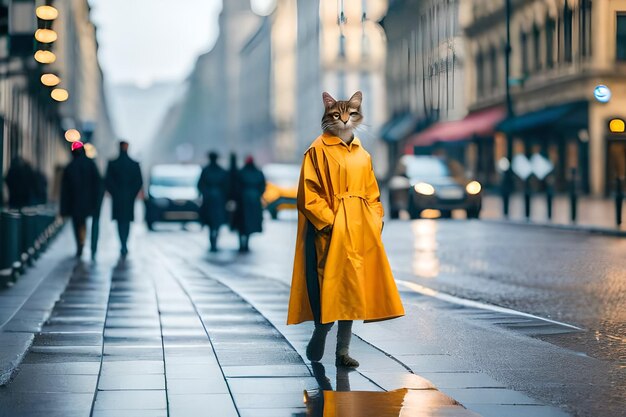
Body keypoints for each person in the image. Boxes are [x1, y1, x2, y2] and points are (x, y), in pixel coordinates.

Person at [287, 91, 405, 368]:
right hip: (331, 231)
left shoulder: (363, 154)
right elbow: (309, 194)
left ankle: (342, 351)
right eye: (336, 115)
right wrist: (328, 224)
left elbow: (373, 194)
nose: (343, 120)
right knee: (331, 287)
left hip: (360, 230)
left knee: (352, 290)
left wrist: (375, 221)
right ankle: (321, 331)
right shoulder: (317, 150)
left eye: (349, 115)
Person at [60, 142, 103, 258]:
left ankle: (80, 245)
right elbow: (98, 184)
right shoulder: (91, 165)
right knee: (90, 223)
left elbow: (65, 190)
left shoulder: (70, 167)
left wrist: (64, 208)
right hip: (90, 202)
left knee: (78, 223)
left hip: (75, 203)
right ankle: (92, 248)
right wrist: (97, 201)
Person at [105, 141, 143, 257]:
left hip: (117, 198)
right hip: (129, 199)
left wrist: (114, 193)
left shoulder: (112, 163)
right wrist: (132, 194)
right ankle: (124, 243)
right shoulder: (134, 164)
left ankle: (122, 243)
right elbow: (139, 182)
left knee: (120, 222)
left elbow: (107, 181)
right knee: (126, 222)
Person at [197, 151, 229, 251]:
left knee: (211, 222)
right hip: (218, 201)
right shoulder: (221, 171)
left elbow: (200, 185)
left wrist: (205, 193)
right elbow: (226, 186)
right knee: (217, 222)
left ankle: (212, 240)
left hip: (209, 201)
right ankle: (214, 240)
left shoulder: (205, 171)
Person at [233, 156, 266, 252]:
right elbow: (262, 186)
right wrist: (257, 194)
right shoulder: (258, 173)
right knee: (249, 223)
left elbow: (236, 187)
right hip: (253, 201)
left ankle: (242, 244)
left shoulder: (241, 173)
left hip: (242, 202)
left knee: (241, 224)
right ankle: (246, 243)